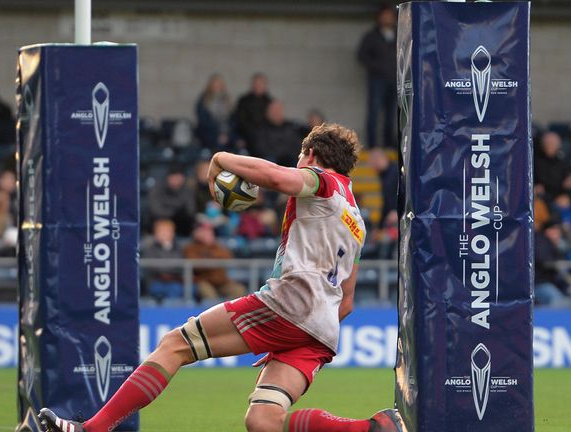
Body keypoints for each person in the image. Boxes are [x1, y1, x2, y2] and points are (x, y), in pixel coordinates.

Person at [39, 123, 405, 432]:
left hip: (291, 304)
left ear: (310, 155)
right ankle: (371, 427)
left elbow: (279, 178)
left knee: (175, 345)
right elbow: (349, 300)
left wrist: (221, 159)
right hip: (320, 328)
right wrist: (294, 333)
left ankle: (91, 429)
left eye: (300, 159)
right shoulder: (356, 219)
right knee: (263, 420)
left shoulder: (322, 181)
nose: (298, 165)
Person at [357, 5, 398, 148]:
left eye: (389, 16)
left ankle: (388, 145)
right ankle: (372, 145)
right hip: (378, 80)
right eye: (384, 16)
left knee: (392, 114)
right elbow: (362, 55)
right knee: (374, 112)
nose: (387, 19)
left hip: (394, 80)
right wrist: (378, 68)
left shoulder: (399, 34)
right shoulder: (372, 36)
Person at [183, 222, 246, 300]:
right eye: (204, 232)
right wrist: (213, 262)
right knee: (209, 294)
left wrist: (209, 258)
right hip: (204, 281)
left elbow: (227, 257)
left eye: (209, 232)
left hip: (222, 282)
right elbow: (197, 265)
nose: (208, 234)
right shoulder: (191, 248)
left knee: (238, 290)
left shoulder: (217, 246)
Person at [142, 219, 184, 300]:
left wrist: (169, 273)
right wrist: (166, 272)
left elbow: (180, 265)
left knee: (177, 289)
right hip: (154, 281)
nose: (164, 234)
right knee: (166, 289)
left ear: (173, 233)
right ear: (155, 233)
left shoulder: (178, 248)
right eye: (161, 231)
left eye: (167, 231)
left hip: (174, 280)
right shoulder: (149, 248)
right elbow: (152, 266)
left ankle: (173, 312)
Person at [148, 165, 196, 236]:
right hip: (162, 224)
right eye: (173, 178)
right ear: (168, 178)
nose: (175, 181)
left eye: (178, 178)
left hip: (183, 226)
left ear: (183, 178)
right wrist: (175, 213)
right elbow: (156, 212)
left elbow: (191, 211)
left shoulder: (188, 191)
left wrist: (177, 214)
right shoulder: (157, 190)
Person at [252, 100, 302, 167]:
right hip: (272, 161)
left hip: (289, 160)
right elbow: (261, 149)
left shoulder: (290, 127)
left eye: (278, 110)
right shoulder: (261, 129)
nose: (276, 113)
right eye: (273, 110)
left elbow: (297, 146)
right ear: (267, 112)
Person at [233, 73, 273, 148]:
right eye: (256, 84)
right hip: (247, 136)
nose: (258, 86)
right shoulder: (244, 101)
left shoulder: (270, 102)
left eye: (261, 84)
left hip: (266, 137)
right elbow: (240, 121)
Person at [534, 132, 571, 199]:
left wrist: (570, 181)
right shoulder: (535, 162)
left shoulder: (563, 161)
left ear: (558, 145)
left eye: (552, 144)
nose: (549, 146)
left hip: (560, 195)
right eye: (547, 143)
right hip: (542, 196)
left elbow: (570, 177)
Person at [196, 74, 232, 149]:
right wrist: (218, 134)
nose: (217, 87)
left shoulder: (226, 100)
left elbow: (231, 119)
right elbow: (204, 121)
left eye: (219, 85)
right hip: (209, 133)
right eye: (215, 85)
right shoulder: (204, 100)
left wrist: (226, 134)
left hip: (226, 132)